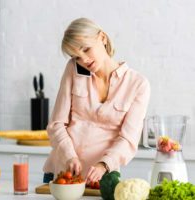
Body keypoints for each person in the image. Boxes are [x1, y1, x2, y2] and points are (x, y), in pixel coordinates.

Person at [43, 18, 150, 185]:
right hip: (62, 175)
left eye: (86, 49)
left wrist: (103, 165)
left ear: (102, 38)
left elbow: (128, 139)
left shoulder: (137, 84)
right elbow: (56, 124)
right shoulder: (73, 69)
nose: (83, 60)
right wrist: (69, 156)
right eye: (76, 56)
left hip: (101, 180)